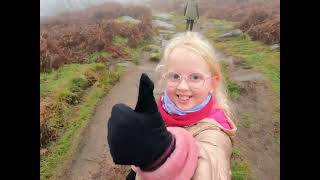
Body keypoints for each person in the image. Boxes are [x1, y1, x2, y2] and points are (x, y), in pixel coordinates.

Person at [107, 32, 237, 180]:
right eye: (175, 76)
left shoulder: (215, 129)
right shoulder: (164, 106)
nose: (182, 87)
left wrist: (162, 152)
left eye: (195, 77)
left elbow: (211, 164)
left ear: (213, 83)